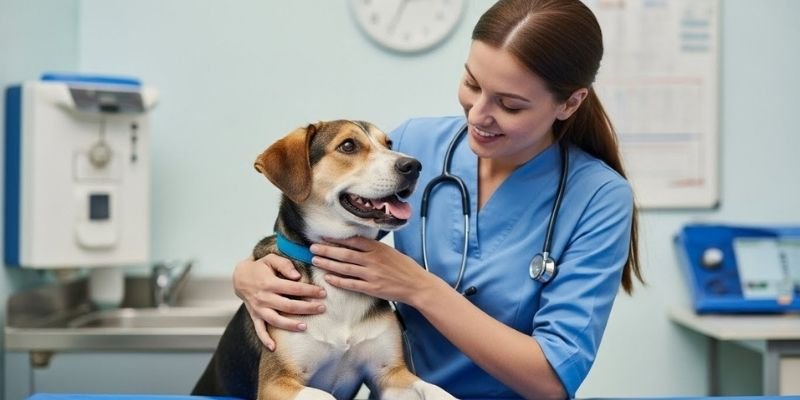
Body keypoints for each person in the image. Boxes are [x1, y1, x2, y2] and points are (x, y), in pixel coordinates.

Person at [233, 0, 643, 398]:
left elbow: (553, 380)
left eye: (509, 105)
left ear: (569, 103)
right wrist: (248, 276)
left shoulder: (599, 198)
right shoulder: (415, 146)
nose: (478, 115)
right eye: (471, 84)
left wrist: (419, 288)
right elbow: (322, 216)